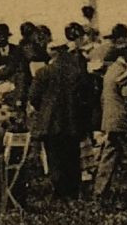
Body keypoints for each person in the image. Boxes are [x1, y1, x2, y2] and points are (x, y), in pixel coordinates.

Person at [31, 24, 91, 199]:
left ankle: (59, 192)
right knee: (72, 156)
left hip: (50, 122)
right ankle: (73, 191)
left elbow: (34, 97)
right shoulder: (76, 71)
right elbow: (85, 95)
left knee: (55, 158)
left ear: (52, 53)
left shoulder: (43, 72)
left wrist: (44, 110)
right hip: (72, 121)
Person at [91, 44, 127, 200]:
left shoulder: (110, 71)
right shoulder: (122, 72)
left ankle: (99, 192)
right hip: (122, 120)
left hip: (110, 120)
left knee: (109, 156)